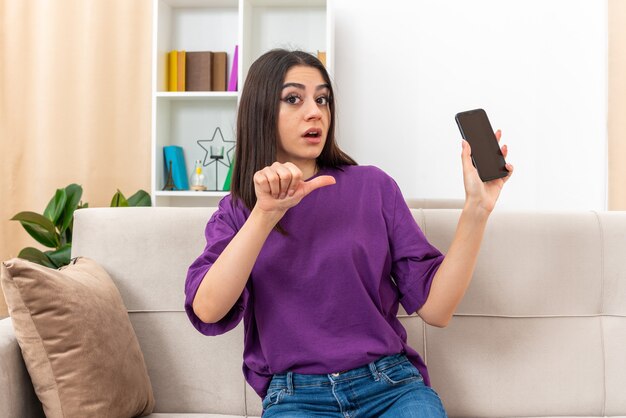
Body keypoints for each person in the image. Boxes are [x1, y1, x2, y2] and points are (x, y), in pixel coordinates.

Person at [185, 49, 513, 417]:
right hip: (295, 396)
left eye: (322, 99)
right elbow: (209, 310)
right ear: (261, 111)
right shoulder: (239, 211)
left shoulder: (373, 187)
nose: (315, 112)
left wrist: (476, 210)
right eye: (294, 99)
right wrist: (264, 214)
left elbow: (437, 310)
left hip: (390, 386)